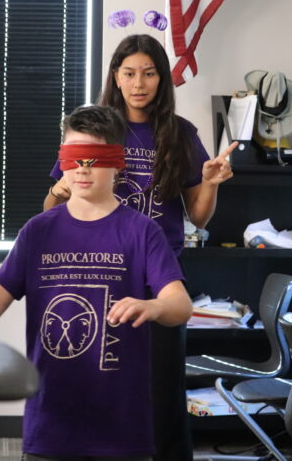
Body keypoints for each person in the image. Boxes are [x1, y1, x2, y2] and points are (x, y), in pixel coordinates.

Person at [44, 34, 237, 461]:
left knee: (161, 392)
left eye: (149, 73)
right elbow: (52, 210)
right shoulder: (93, 129)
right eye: (129, 73)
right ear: (115, 75)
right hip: (96, 274)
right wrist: (59, 190)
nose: (139, 83)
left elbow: (198, 217)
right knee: (98, 387)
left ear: (161, 79)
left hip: (157, 277)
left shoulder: (180, 134)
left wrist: (210, 181)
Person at [0, 105, 193, 460]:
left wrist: (153, 306)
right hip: (51, 419)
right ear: (62, 161)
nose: (83, 169)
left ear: (118, 161)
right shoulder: (38, 231)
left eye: (95, 157)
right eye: (74, 157)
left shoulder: (142, 232)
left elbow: (180, 305)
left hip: (122, 425)